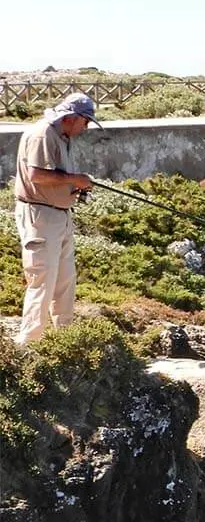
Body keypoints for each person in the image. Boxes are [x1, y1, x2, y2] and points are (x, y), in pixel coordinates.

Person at [11, 92, 99, 345]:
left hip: (59, 215)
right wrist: (75, 180)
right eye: (87, 122)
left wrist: (76, 185)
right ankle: (29, 345)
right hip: (40, 216)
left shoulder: (62, 135)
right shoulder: (42, 134)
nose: (87, 127)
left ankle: (65, 340)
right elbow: (37, 175)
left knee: (65, 279)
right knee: (43, 280)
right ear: (73, 118)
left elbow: (55, 175)